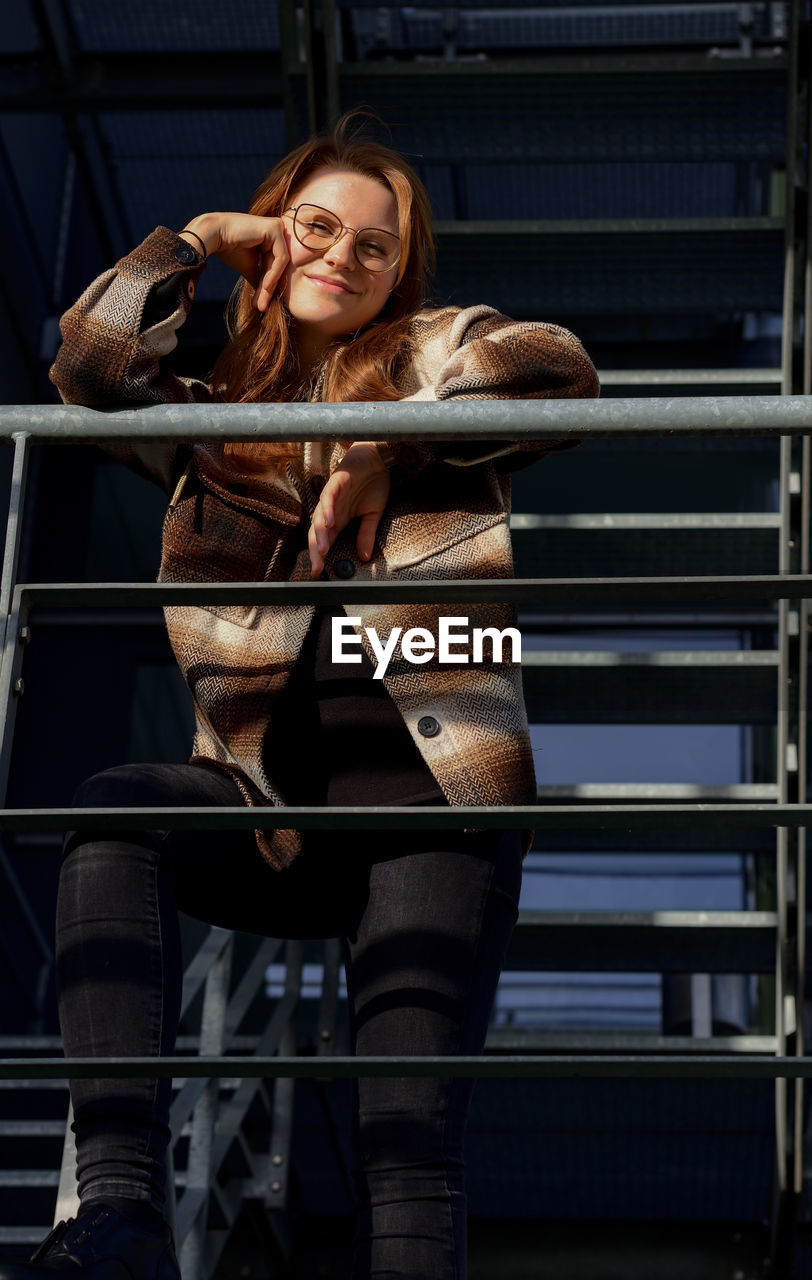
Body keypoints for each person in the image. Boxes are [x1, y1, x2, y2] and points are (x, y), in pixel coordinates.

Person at [1, 114, 599, 1280]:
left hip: (435, 805)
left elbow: (560, 368)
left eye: (373, 246)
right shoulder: (209, 420)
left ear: (399, 276)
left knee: (407, 1140)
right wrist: (198, 238)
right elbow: (86, 368)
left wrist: (395, 444)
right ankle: (118, 1215)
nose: (341, 255)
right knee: (116, 804)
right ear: (278, 233)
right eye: (315, 226)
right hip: (262, 804)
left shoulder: (435, 354)